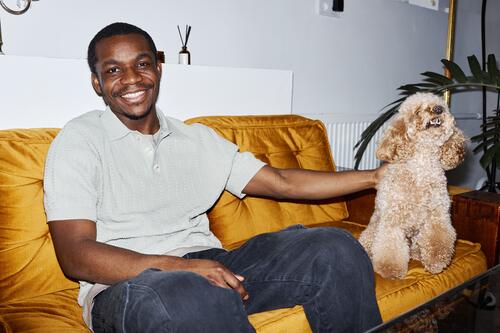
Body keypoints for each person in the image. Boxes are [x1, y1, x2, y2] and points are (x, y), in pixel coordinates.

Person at [44, 22, 385, 333]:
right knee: (191, 293)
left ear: (158, 69)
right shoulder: (80, 139)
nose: (131, 78)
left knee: (335, 248)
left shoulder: (196, 139)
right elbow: (74, 254)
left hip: (209, 265)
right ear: (97, 82)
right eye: (114, 70)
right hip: (127, 286)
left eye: (142, 64)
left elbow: (281, 181)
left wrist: (375, 177)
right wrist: (176, 268)